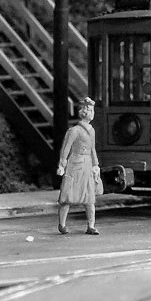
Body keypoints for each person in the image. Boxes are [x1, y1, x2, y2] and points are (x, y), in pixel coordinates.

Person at [56, 97, 102, 235]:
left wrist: (95, 164)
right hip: (75, 164)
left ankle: (91, 226)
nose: (93, 113)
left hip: (87, 165)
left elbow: (92, 149)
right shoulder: (74, 131)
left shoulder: (92, 130)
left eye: (92, 110)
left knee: (90, 197)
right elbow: (66, 148)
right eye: (91, 111)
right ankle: (62, 224)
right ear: (85, 112)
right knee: (67, 195)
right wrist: (62, 164)